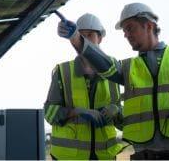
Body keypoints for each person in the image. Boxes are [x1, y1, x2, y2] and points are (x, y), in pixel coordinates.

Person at [57, 3, 169, 160]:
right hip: (145, 153)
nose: (126, 35)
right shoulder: (127, 67)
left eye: (130, 28)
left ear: (149, 25)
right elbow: (104, 64)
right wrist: (76, 39)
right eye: (124, 32)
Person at [44, 13, 124, 160]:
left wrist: (117, 110)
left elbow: (124, 122)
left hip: (104, 156)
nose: (85, 39)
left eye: (90, 35)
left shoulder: (113, 71)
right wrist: (77, 112)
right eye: (81, 35)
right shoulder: (63, 72)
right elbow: (49, 113)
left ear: (100, 38)